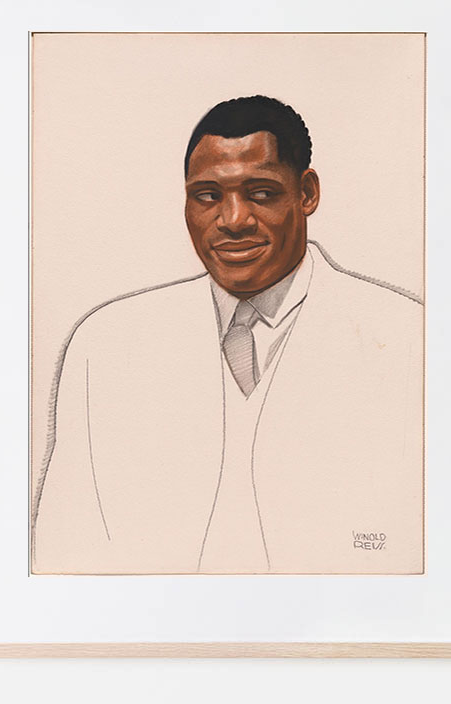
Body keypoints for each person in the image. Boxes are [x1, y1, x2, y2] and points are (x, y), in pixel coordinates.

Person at [33, 95, 423, 575]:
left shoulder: (408, 340)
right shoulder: (106, 346)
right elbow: (64, 551)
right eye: (207, 196)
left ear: (307, 193)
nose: (233, 220)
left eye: (260, 193)